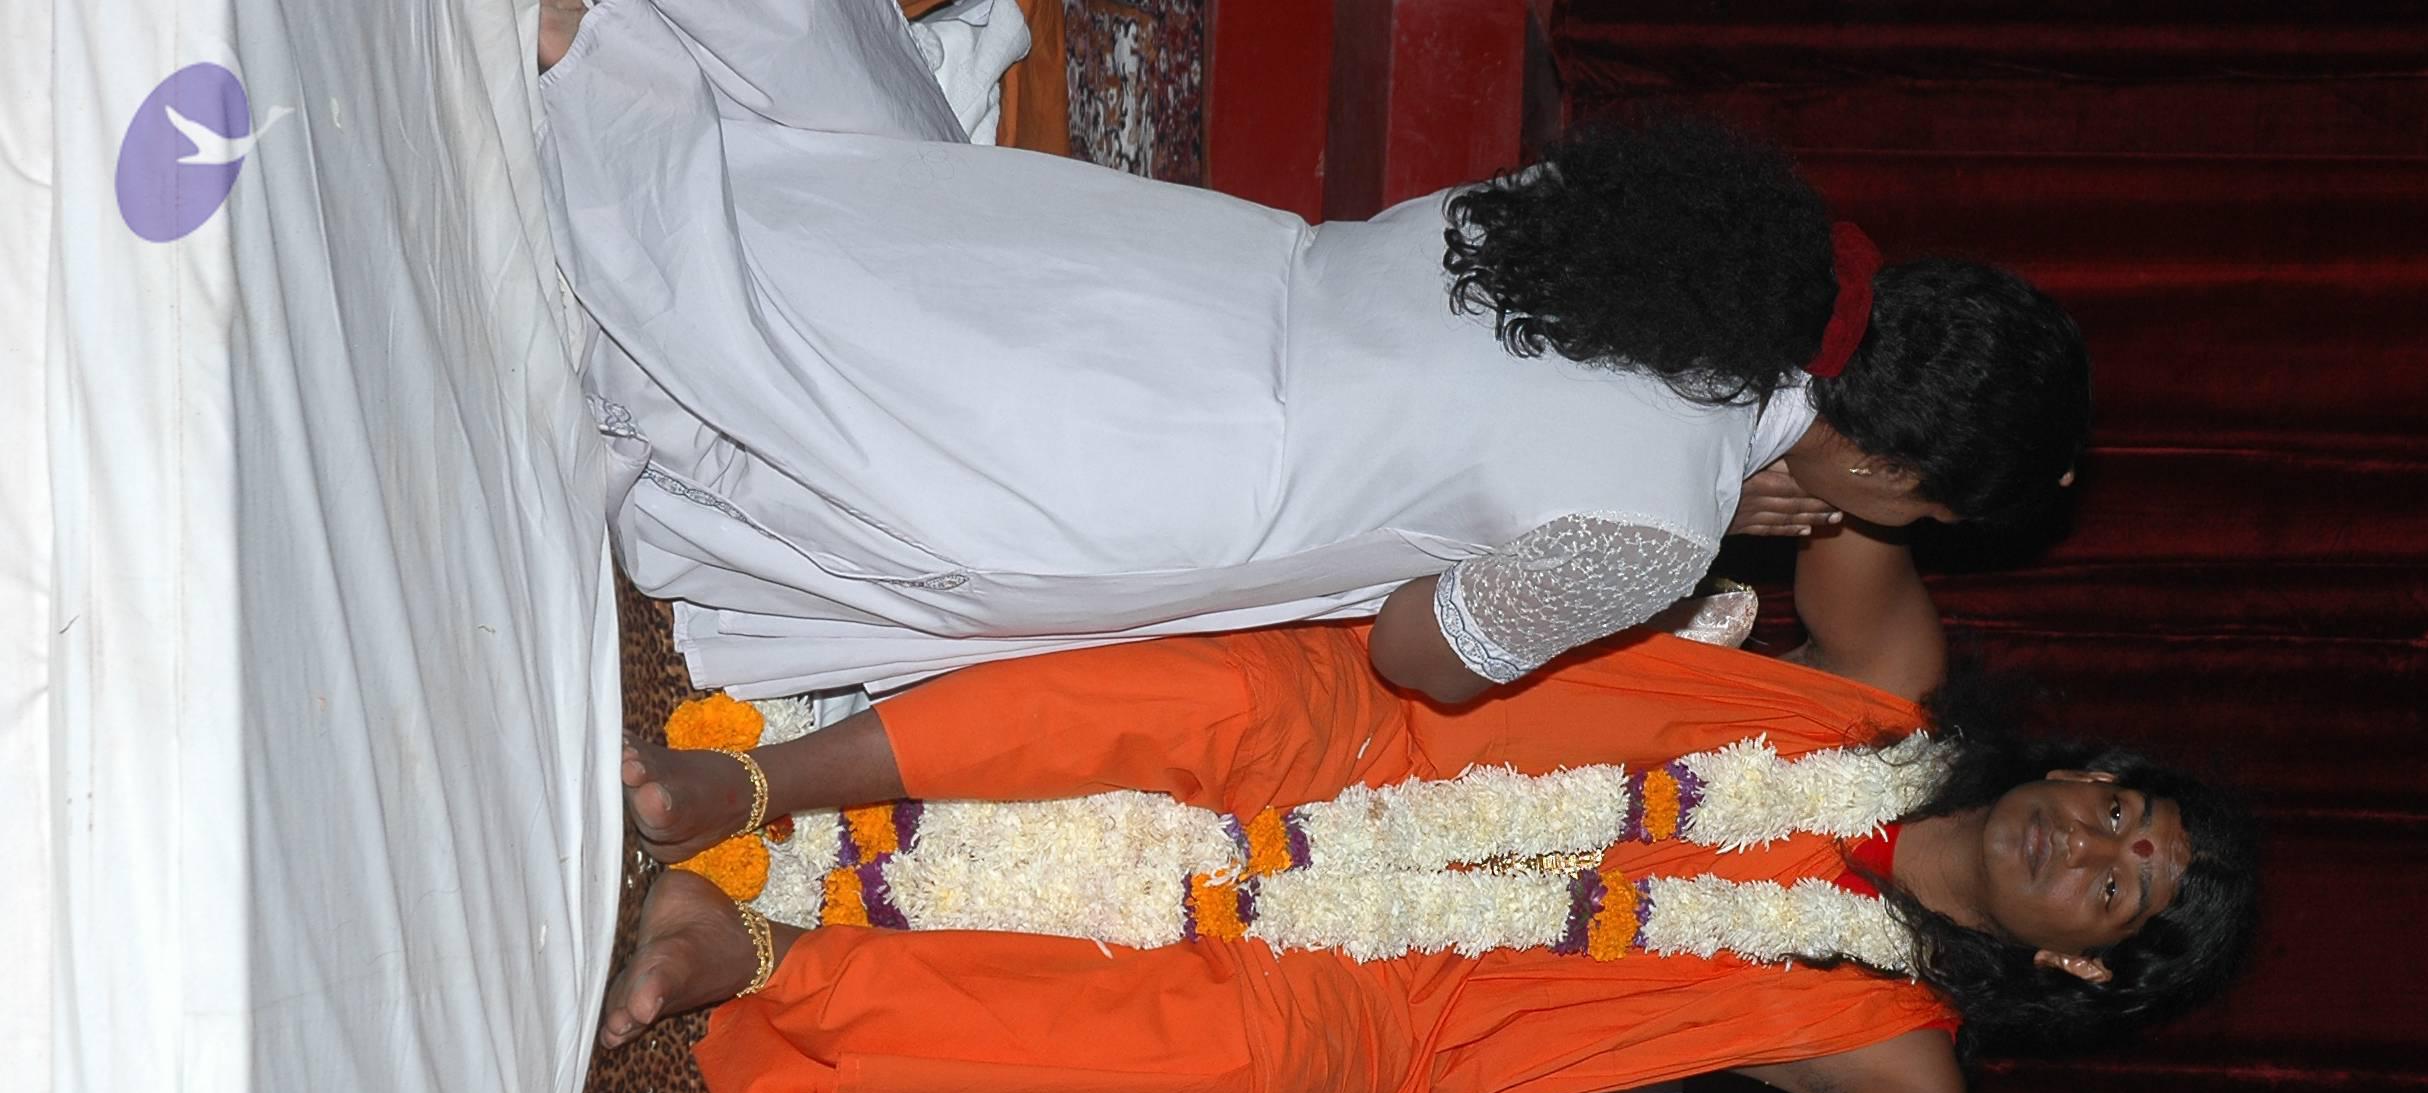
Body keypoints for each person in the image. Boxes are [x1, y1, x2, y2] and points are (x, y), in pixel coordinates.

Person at [605, 527, 2259, 1093]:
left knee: (1240, 1073)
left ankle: (752, 956)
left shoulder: (1894, 1049)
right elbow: (1862, 474)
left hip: (1401, 1011)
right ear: (2087, 768)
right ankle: (757, 789)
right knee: (1234, 706)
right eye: (2120, 809)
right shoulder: (1886, 688)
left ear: (2079, 962)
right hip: (1397, 739)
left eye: (2117, 887)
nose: (2087, 841)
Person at [530, 0, 2091, 700]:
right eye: (1925, 512)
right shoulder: (1658, 529)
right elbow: (1418, 653)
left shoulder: (1673, 238)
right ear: (1887, 467)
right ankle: (615, 135)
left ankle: (625, 71)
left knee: (881, 235)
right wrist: (1661, 574)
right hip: (1187, 468)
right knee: (836, 426)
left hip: (1193, 276)